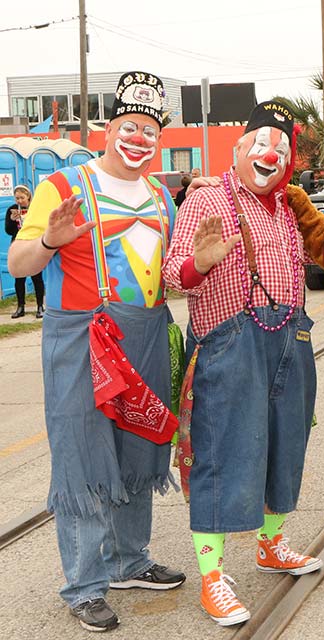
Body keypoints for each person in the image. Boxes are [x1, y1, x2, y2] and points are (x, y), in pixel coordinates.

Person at [7, 71, 186, 633]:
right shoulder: (60, 186)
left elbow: (172, 275)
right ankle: (84, 586)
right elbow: (18, 265)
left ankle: (129, 561)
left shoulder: (160, 195)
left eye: (150, 130)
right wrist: (51, 241)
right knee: (84, 461)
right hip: (81, 337)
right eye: (130, 126)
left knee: (139, 448)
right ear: (109, 128)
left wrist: (200, 266)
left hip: (147, 334)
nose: (139, 138)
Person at [162, 100, 321, 626]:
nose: (269, 154)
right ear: (237, 149)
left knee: (284, 445)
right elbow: (170, 276)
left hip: (290, 338)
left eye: (280, 147)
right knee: (221, 454)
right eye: (260, 143)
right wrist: (197, 264)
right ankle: (212, 577)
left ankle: (270, 544)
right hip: (230, 346)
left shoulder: (287, 206)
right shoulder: (208, 198)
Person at [5, 184, 45, 318]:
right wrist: (12, 220)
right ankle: (20, 307)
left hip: (32, 245)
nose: (19, 201)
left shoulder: (35, 209)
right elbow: (8, 231)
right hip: (18, 246)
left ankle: (40, 306)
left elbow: (41, 226)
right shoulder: (12, 209)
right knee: (19, 278)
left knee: (37, 277)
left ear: (28, 197)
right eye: (17, 198)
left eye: (22, 198)